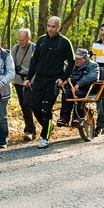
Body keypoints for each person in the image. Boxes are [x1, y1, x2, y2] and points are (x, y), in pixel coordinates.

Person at [22, 16, 74, 149]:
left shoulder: (64, 42)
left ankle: (44, 138)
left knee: (46, 107)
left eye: (53, 26)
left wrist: (62, 78)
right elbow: (34, 61)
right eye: (49, 26)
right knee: (34, 105)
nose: (50, 29)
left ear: (58, 27)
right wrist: (28, 78)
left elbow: (71, 62)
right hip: (39, 79)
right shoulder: (41, 40)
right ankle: (47, 125)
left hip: (53, 80)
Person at [58, 48, 99, 127]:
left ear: (86, 58)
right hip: (72, 88)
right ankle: (64, 118)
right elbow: (68, 74)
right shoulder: (72, 66)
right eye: (76, 58)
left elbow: (92, 76)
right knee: (66, 94)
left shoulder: (93, 65)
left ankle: (78, 118)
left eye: (79, 59)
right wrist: (65, 80)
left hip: (86, 89)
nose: (77, 60)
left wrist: (79, 84)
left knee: (79, 95)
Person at [11, 28, 36, 141]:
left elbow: (37, 66)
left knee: (28, 103)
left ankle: (29, 130)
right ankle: (32, 129)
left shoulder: (35, 48)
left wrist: (30, 80)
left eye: (24, 40)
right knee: (23, 104)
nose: (21, 43)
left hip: (31, 80)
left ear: (29, 38)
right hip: (18, 79)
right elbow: (11, 64)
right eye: (19, 40)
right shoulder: (15, 49)